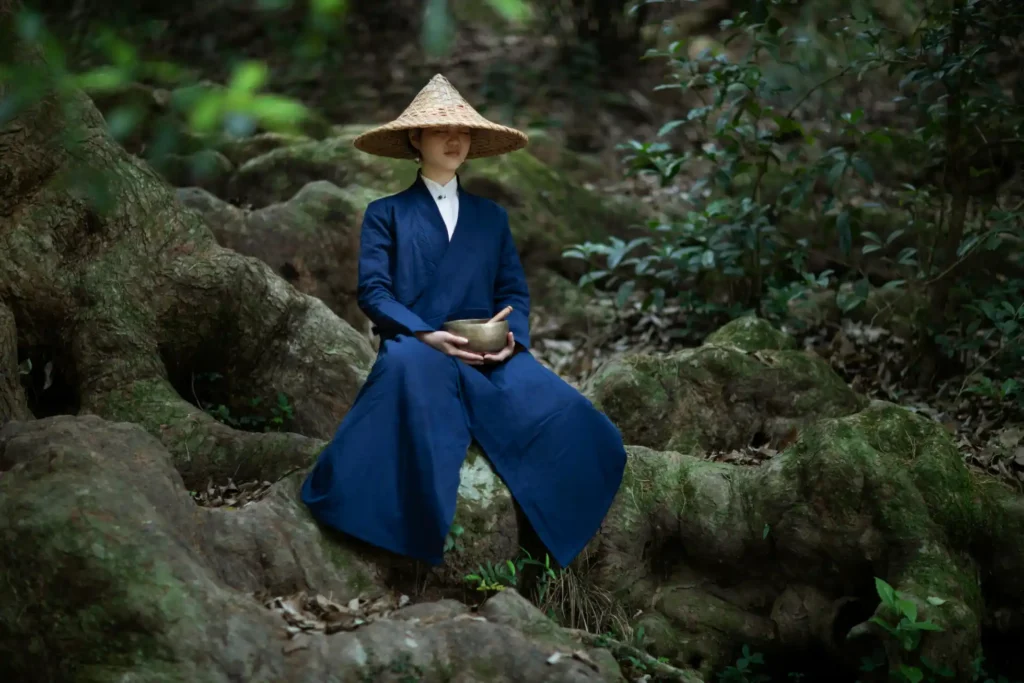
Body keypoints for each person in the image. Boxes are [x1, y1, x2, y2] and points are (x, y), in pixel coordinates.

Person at [301, 74, 627, 569]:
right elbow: (374, 291)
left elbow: (512, 292)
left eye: (463, 133)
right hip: (419, 342)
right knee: (407, 383)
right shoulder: (385, 213)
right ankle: (398, 536)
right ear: (416, 139)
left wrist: (509, 340)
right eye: (440, 132)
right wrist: (424, 333)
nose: (455, 141)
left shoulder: (491, 216)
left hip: (485, 348)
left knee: (571, 417)